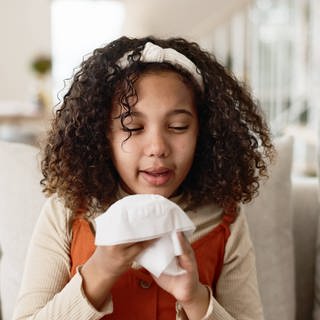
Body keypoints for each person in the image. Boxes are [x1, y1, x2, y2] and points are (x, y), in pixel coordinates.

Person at [13, 36, 274, 320]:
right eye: (134, 127)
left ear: (204, 133)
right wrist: (100, 272)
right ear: (103, 134)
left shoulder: (225, 218)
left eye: (178, 126)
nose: (158, 147)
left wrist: (195, 298)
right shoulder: (66, 210)